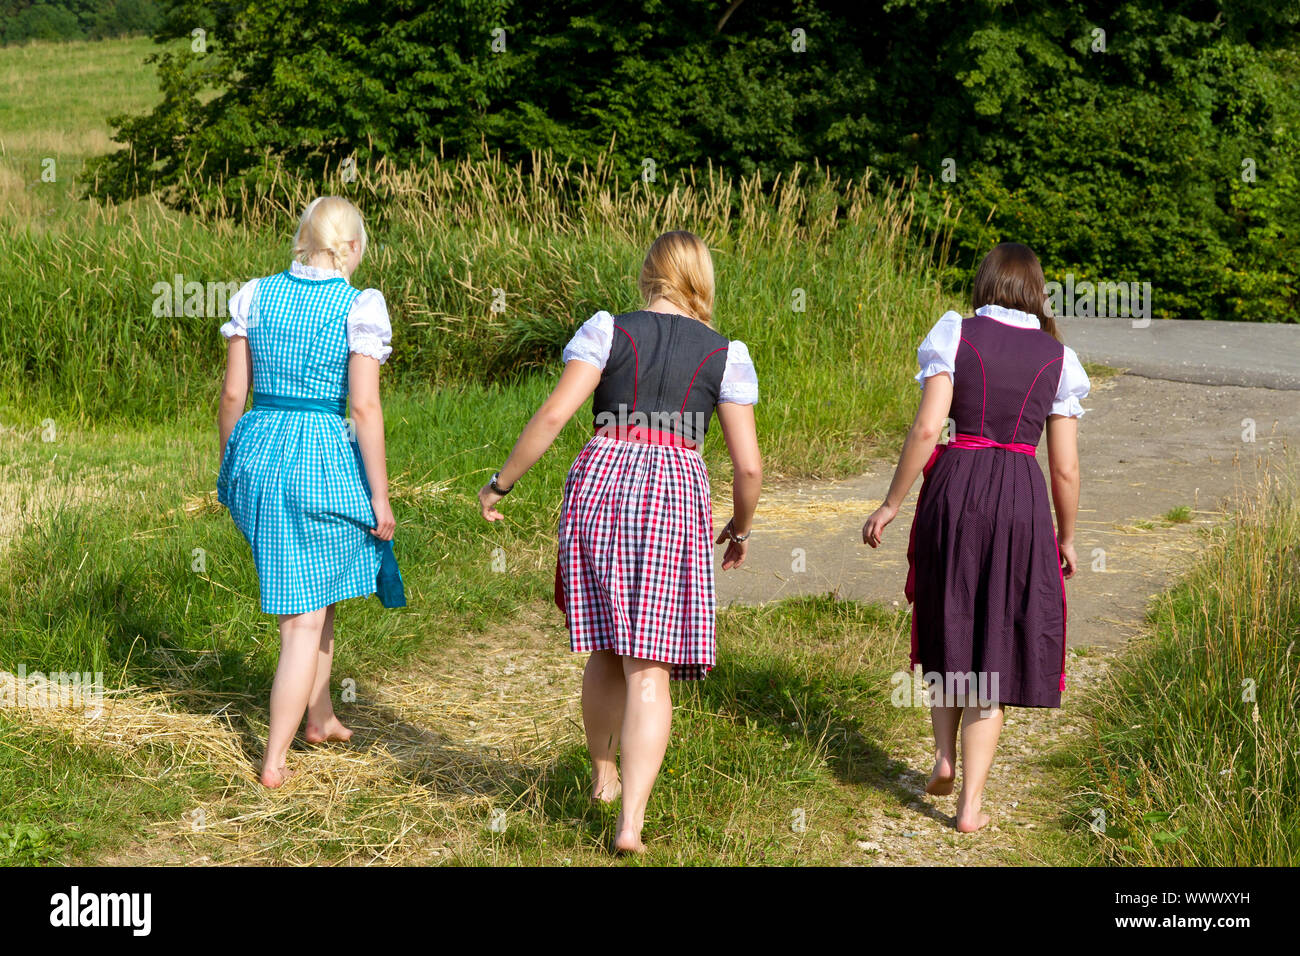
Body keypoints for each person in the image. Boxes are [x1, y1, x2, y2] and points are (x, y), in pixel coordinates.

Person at [477, 230, 762, 853]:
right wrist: (739, 528)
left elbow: (554, 415)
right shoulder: (726, 355)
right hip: (675, 496)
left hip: (604, 481)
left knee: (606, 646)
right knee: (650, 666)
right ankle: (630, 821)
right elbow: (748, 469)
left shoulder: (609, 330)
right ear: (701, 280)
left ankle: (603, 776)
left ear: (649, 274)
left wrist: (501, 483)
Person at [862, 242, 1089, 832]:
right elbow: (1064, 467)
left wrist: (890, 503)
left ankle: (941, 757)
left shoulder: (954, 334)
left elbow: (927, 426)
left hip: (955, 485)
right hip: (1019, 496)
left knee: (950, 616)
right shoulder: (1057, 358)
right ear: (1037, 293)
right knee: (994, 640)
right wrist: (1066, 536)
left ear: (985, 284)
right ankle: (970, 807)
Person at [217, 196, 405, 789]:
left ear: (303, 239)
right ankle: (273, 760)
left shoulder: (255, 295)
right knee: (301, 621)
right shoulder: (358, 306)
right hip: (318, 455)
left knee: (316, 591)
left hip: (259, 450)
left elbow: (231, 398)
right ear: (349, 248)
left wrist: (230, 466)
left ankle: (319, 718)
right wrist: (379, 494)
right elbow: (364, 406)